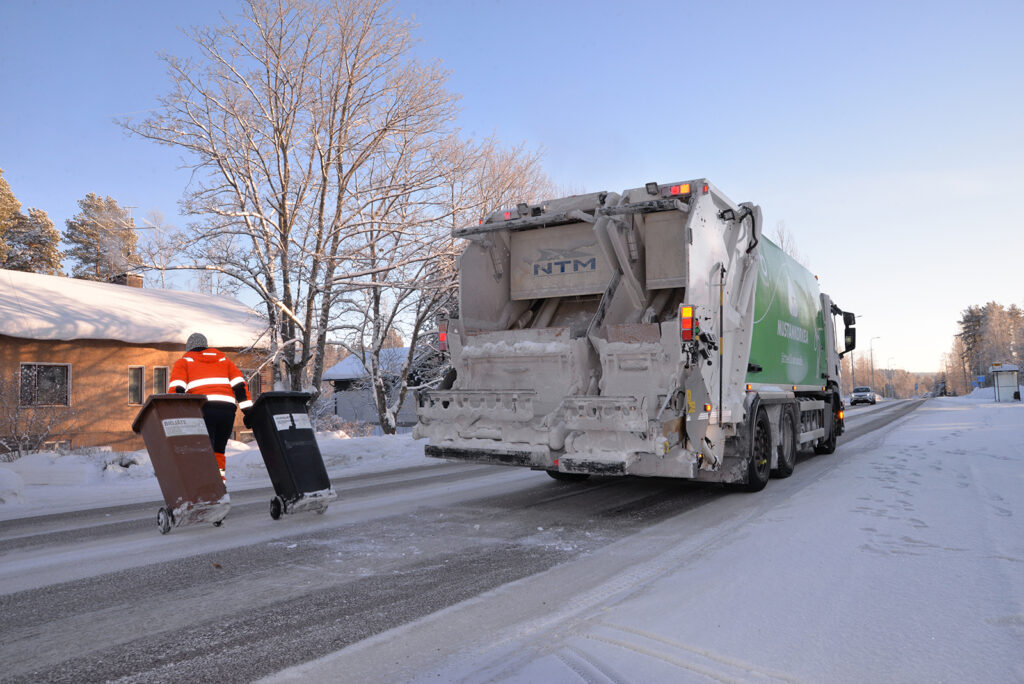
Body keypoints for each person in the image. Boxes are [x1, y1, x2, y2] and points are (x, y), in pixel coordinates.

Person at [169, 332, 253, 483]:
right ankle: (219, 487)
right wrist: (248, 413)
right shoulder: (224, 360)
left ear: (189, 348)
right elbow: (240, 386)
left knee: (202, 451)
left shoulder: (184, 362)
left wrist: (175, 415)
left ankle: (204, 488)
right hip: (227, 413)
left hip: (203, 411)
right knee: (218, 451)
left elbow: (176, 390)